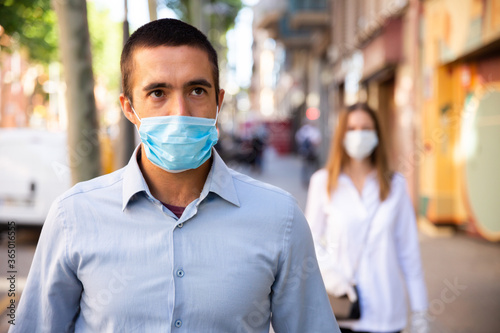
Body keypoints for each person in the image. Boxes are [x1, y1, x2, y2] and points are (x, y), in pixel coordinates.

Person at [11, 19, 339, 332]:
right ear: (129, 108)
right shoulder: (73, 216)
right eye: (158, 93)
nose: (180, 112)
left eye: (196, 90)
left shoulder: (280, 218)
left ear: (218, 102)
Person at [305, 103, 429, 333]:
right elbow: (309, 242)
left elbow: (409, 255)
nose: (358, 134)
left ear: (377, 134)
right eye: (351, 128)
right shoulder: (323, 182)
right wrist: (332, 276)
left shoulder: (396, 185)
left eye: (365, 128)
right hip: (341, 312)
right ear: (341, 135)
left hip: (387, 315)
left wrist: (421, 315)